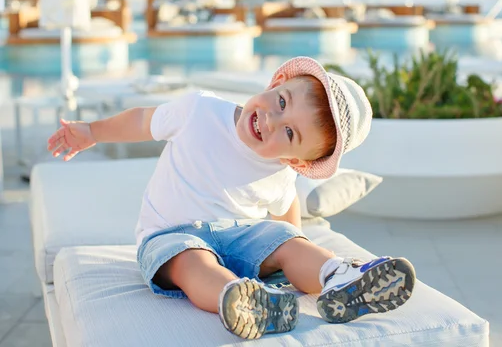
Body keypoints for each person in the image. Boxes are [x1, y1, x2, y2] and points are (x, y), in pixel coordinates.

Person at [47, 57, 416, 340]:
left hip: (238, 237)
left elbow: (286, 216)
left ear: (295, 160)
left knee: (288, 243)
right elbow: (143, 120)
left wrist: (290, 249)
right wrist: (92, 131)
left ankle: (339, 278)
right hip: (170, 236)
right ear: (276, 82)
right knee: (192, 261)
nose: (271, 120)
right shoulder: (200, 110)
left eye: (289, 132)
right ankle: (237, 299)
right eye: (282, 102)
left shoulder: (281, 171)